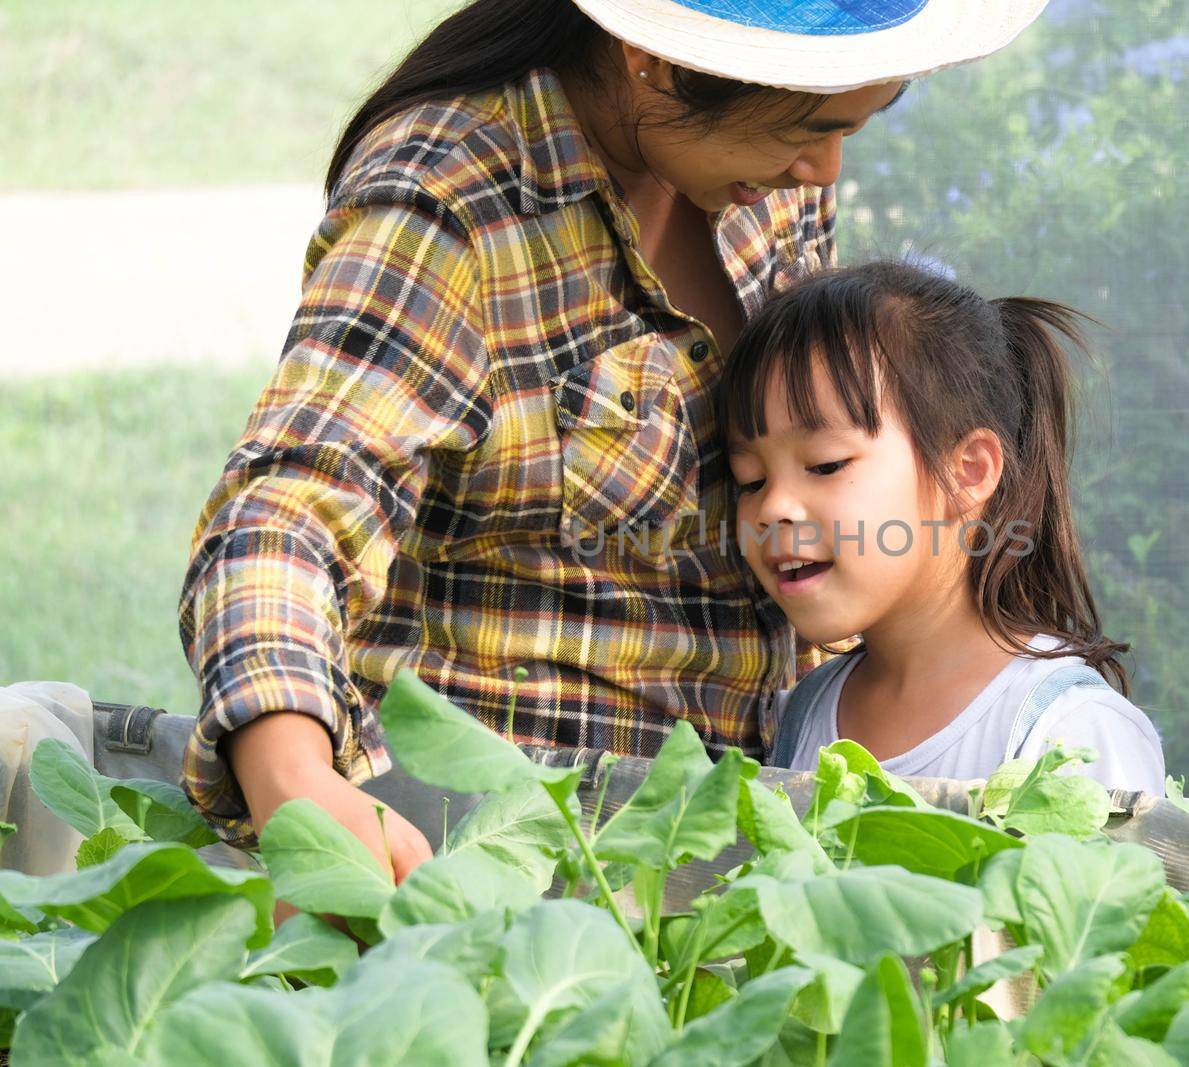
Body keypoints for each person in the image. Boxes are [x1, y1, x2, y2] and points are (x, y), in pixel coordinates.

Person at [178, 0, 1051, 878]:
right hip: (492, 856)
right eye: (804, 126)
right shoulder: (453, 201)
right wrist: (294, 782)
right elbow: (288, 510)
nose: (823, 171)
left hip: (719, 854)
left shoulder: (764, 193)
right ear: (656, 61)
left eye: (853, 126)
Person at [717, 261, 1165, 789]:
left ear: (967, 471)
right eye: (750, 480)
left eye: (825, 464)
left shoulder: (1069, 734)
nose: (772, 509)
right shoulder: (800, 715)